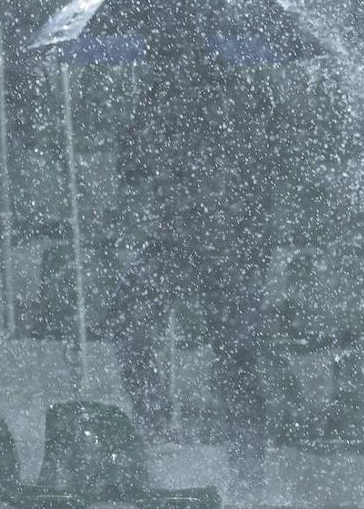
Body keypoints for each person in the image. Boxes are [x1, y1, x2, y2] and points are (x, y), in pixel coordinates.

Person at [107, 48, 282, 490]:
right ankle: (168, 428)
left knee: (235, 357)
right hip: (188, 243)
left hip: (224, 246)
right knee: (134, 317)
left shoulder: (227, 99)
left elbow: (256, 173)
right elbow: (132, 167)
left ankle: (244, 463)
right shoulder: (166, 95)